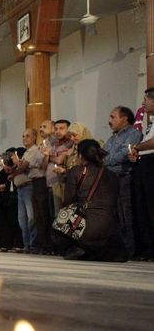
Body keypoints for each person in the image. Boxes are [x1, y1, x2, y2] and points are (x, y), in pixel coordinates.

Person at [53, 140, 126, 261]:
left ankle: (75, 248)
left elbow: (68, 202)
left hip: (87, 227)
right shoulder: (112, 174)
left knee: (58, 225)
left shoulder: (77, 171)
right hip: (109, 227)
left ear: (80, 155)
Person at [103, 106, 142, 258]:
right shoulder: (113, 137)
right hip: (111, 179)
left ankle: (129, 249)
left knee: (126, 214)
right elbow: (103, 156)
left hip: (124, 178)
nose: (109, 121)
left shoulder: (134, 134)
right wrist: (107, 160)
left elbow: (125, 154)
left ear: (124, 118)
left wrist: (107, 160)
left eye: (113, 117)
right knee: (114, 215)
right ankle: (117, 247)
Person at [129, 87, 154, 260]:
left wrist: (137, 147)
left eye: (146, 99)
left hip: (152, 163)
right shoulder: (150, 122)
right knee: (143, 208)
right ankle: (147, 248)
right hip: (144, 163)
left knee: (151, 207)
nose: (143, 103)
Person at [11, 129, 45, 254]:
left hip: (29, 187)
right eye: (23, 136)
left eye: (27, 136)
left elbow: (23, 167)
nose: (24, 138)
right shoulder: (26, 152)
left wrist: (16, 165)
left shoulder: (34, 150)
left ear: (35, 138)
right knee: (22, 219)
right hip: (21, 189)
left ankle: (33, 244)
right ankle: (27, 245)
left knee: (31, 217)